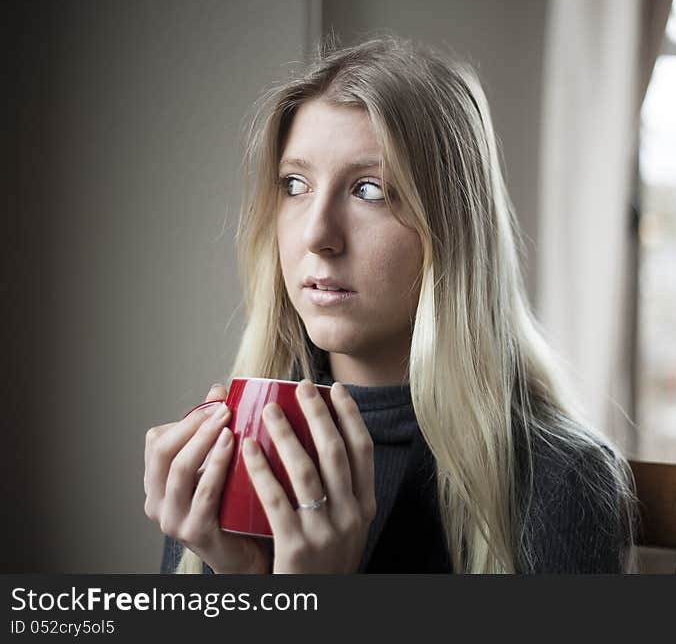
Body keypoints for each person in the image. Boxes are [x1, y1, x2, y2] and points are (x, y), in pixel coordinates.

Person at [144, 35, 638, 574]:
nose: (318, 235)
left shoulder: (561, 483)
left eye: (369, 191)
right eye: (295, 183)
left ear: (452, 230)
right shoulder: (224, 460)